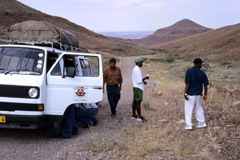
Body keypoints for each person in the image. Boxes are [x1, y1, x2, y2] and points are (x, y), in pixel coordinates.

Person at [184, 58, 209, 130]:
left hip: (190, 94)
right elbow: (205, 85)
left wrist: (185, 93)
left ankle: (189, 125)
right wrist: (205, 94)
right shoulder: (202, 73)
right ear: (198, 64)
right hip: (198, 94)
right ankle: (201, 123)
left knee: (188, 109)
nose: (201, 65)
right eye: (201, 64)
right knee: (198, 108)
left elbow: (187, 83)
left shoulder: (189, 71)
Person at [132, 57, 149, 122]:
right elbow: (139, 81)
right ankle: (139, 116)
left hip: (135, 87)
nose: (142, 63)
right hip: (138, 88)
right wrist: (146, 78)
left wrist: (143, 81)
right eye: (141, 62)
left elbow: (137, 79)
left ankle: (134, 114)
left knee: (135, 101)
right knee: (138, 102)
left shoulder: (135, 69)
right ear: (138, 63)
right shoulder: (137, 70)